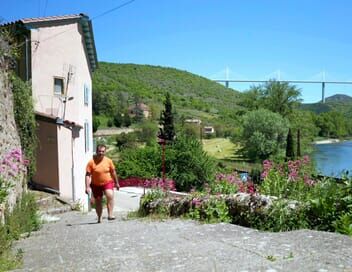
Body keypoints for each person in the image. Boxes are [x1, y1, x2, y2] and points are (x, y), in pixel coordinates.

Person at [85, 144, 120, 223]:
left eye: (103, 151)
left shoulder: (109, 161)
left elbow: (113, 172)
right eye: (99, 151)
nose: (101, 153)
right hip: (95, 184)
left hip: (107, 182)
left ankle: (110, 215)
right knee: (98, 201)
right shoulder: (91, 162)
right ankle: (99, 217)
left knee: (110, 195)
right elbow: (87, 175)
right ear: (96, 151)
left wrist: (117, 182)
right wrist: (87, 187)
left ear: (105, 152)